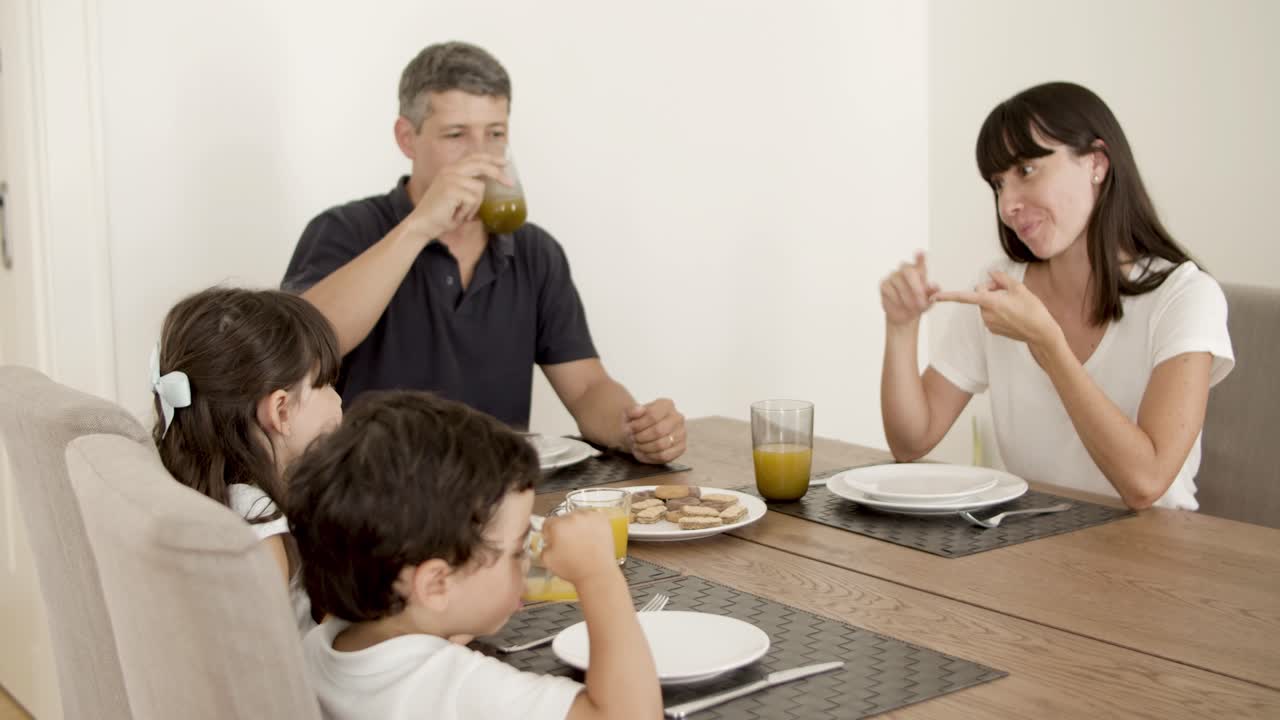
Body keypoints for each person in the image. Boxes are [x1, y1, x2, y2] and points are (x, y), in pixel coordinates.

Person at [281, 41, 684, 464]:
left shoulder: (535, 251)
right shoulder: (344, 230)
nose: (482, 156)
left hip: (498, 490)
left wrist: (634, 429)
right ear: (407, 138)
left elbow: (586, 387)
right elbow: (300, 351)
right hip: (372, 488)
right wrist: (421, 226)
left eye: (495, 134)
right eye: (456, 135)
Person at [879, 81, 1234, 510]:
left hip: (1154, 546)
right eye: (998, 184)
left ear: (1096, 163)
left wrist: (1048, 345)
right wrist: (902, 327)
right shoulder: (1000, 289)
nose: (1007, 204)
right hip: (1033, 541)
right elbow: (910, 441)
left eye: (1026, 171)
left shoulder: (1185, 296)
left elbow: (1146, 482)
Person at [287, 390, 662, 720]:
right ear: (436, 584)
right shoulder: (455, 687)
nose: (528, 562)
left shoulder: (319, 646)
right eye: (517, 550)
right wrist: (599, 575)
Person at [151, 287, 343, 630]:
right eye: (327, 383)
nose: (339, 399)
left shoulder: (191, 481)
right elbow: (266, 655)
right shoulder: (258, 527)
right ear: (281, 410)